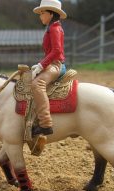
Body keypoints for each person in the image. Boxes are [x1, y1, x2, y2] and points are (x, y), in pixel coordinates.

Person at [31, 0, 67, 137]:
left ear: (51, 14)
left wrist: (42, 65)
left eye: (42, 13)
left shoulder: (54, 29)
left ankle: (45, 123)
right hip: (52, 63)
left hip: (56, 65)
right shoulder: (52, 28)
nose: (40, 16)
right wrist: (41, 63)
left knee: (37, 84)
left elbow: (57, 51)